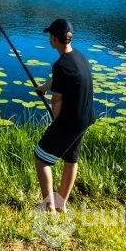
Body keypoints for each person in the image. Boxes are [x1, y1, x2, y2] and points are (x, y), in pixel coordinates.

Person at [33, 19, 95, 212]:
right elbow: (59, 80)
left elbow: (57, 100)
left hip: (70, 121)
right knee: (70, 158)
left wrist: (56, 121)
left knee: (41, 158)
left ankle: (49, 205)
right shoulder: (79, 57)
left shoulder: (60, 64)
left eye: (50, 35)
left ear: (55, 38)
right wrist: (43, 88)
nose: (49, 39)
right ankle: (61, 203)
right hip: (85, 118)